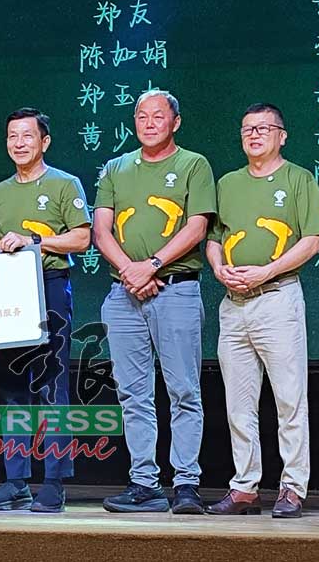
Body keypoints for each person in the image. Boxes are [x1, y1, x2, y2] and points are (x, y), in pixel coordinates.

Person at [205, 103, 319, 519]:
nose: (254, 135)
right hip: (233, 304)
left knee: (289, 400)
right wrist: (219, 269)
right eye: (247, 129)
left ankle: (292, 487)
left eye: (263, 128)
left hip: (277, 298)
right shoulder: (227, 183)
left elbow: (312, 240)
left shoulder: (298, 179)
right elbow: (214, 238)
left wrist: (266, 271)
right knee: (238, 404)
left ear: (282, 135)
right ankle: (244, 487)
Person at [92, 90, 216, 515]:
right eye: (141, 116)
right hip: (123, 293)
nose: (149, 123)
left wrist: (153, 265)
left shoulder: (193, 164)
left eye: (158, 116)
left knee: (184, 390)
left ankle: (186, 484)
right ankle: (144, 483)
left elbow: (197, 225)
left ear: (175, 122)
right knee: (133, 394)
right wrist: (132, 271)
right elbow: (101, 230)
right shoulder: (116, 167)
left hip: (176, 289)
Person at [0, 108, 91, 513]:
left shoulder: (64, 183)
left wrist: (34, 240)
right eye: (12, 136)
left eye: (27, 135)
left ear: (44, 141)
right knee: (13, 390)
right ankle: (16, 481)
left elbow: (82, 238)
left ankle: (54, 482)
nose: (18, 143)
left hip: (50, 286)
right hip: (8, 292)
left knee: (52, 387)